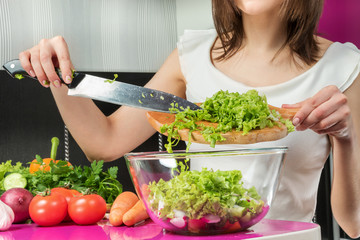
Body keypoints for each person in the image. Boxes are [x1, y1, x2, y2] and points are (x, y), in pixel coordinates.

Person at [18, 0, 360, 237]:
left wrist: (346, 137)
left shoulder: (343, 66)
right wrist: (57, 75)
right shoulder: (192, 55)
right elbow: (104, 143)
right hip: (197, 236)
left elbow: (353, 222)